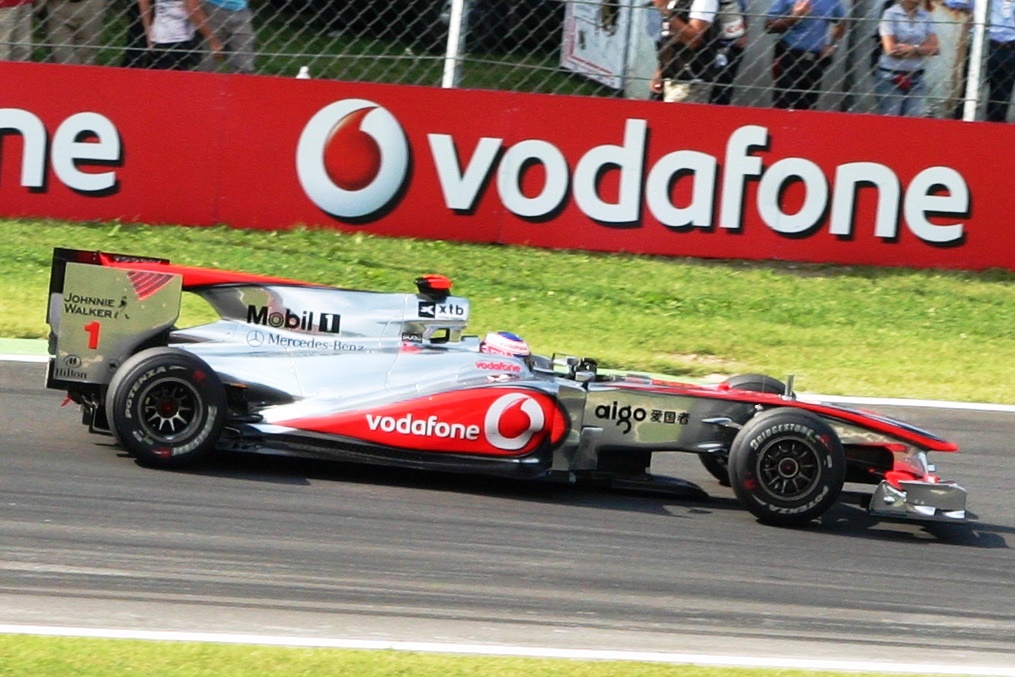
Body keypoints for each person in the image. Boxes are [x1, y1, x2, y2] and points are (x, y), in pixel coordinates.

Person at [765, 0, 846, 110]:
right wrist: (795, 17)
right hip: (789, 56)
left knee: (808, 105)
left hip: (815, 60)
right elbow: (769, 26)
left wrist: (833, 45)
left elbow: (842, 21)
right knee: (784, 103)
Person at [876, 0, 939, 116]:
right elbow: (890, 49)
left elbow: (935, 48)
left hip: (916, 77)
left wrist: (912, 49)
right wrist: (922, 50)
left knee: (913, 120)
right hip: (891, 76)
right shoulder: (891, 14)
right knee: (890, 119)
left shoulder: (925, 16)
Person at [650, 0, 720, 103]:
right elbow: (669, 38)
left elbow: (694, 40)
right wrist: (660, 70)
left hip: (690, 77)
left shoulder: (704, 2)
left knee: (680, 117)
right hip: (670, 73)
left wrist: (664, 10)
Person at [139, 0, 223, 70]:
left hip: (161, 35)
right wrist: (212, 40)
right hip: (180, 39)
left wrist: (148, 30)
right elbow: (192, 9)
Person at [710, 0, 749, 105]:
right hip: (708, 45)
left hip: (729, 46)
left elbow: (742, 12)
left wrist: (741, 33)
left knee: (721, 93)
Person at [199, 0, 254, 73]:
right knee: (209, 61)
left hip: (241, 9)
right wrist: (212, 40)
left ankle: (239, 82)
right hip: (213, 6)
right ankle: (204, 81)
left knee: (244, 64)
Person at [45, 0, 106, 64]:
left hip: (91, 6)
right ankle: (73, 72)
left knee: (87, 54)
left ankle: (82, 72)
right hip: (57, 6)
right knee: (62, 55)